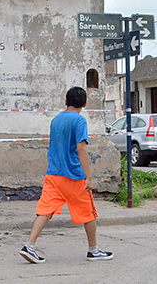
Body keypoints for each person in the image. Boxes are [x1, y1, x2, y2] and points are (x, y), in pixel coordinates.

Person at [19, 86, 114, 263]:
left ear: (65, 101)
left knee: (45, 212)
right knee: (89, 214)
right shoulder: (79, 121)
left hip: (54, 174)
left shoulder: (56, 120)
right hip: (74, 177)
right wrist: (89, 177)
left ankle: (29, 246)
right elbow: (81, 148)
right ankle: (93, 250)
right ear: (84, 104)